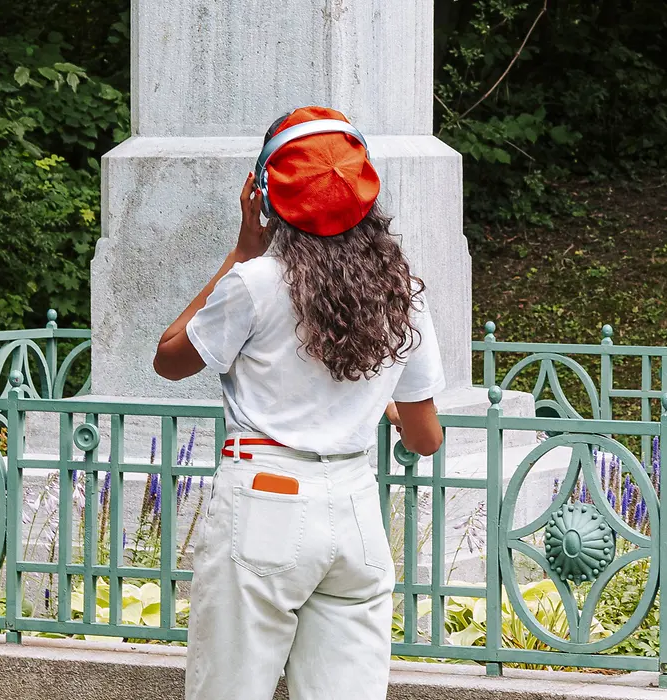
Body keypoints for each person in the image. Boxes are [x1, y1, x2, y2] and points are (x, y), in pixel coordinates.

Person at [151, 105, 446, 700]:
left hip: (266, 499)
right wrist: (378, 409)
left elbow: (170, 357)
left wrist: (240, 251)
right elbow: (425, 438)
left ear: (264, 194)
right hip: (356, 508)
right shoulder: (398, 291)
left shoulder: (256, 283)